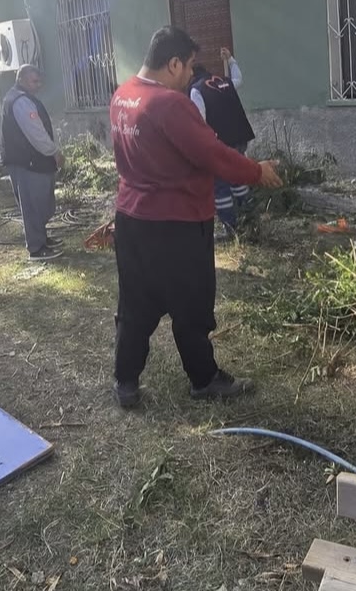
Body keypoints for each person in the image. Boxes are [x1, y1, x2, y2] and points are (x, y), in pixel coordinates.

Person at [109, 27, 283, 408]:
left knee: (134, 303)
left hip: (132, 219)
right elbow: (212, 154)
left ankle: (126, 382)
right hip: (178, 223)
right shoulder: (169, 105)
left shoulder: (122, 96)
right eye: (187, 66)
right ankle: (204, 379)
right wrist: (256, 171)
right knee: (192, 304)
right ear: (172, 63)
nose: (192, 74)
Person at [0, 64, 64, 262]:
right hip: (26, 162)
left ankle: (42, 239)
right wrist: (54, 152)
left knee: (40, 203)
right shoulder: (20, 101)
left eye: (39, 81)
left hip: (29, 161)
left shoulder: (21, 98)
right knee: (33, 205)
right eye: (34, 81)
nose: (38, 85)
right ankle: (36, 248)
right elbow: (36, 133)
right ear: (21, 80)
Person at [189, 46, 256, 236]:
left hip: (220, 144)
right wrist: (231, 60)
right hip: (240, 138)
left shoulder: (196, 90)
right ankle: (249, 217)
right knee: (238, 176)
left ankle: (231, 228)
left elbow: (200, 122)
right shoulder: (223, 82)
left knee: (220, 185)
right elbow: (239, 79)